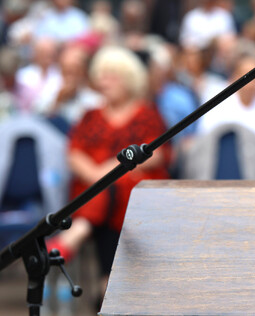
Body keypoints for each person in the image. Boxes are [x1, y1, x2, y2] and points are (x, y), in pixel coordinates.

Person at [46, 46, 170, 296]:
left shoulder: (146, 113)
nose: (103, 81)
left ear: (128, 79)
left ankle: (75, 238)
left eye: (111, 75)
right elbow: (74, 151)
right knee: (107, 192)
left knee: (116, 189)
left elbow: (157, 153)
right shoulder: (90, 115)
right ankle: (108, 286)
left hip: (132, 192)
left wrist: (109, 170)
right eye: (100, 75)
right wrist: (95, 173)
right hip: (93, 188)